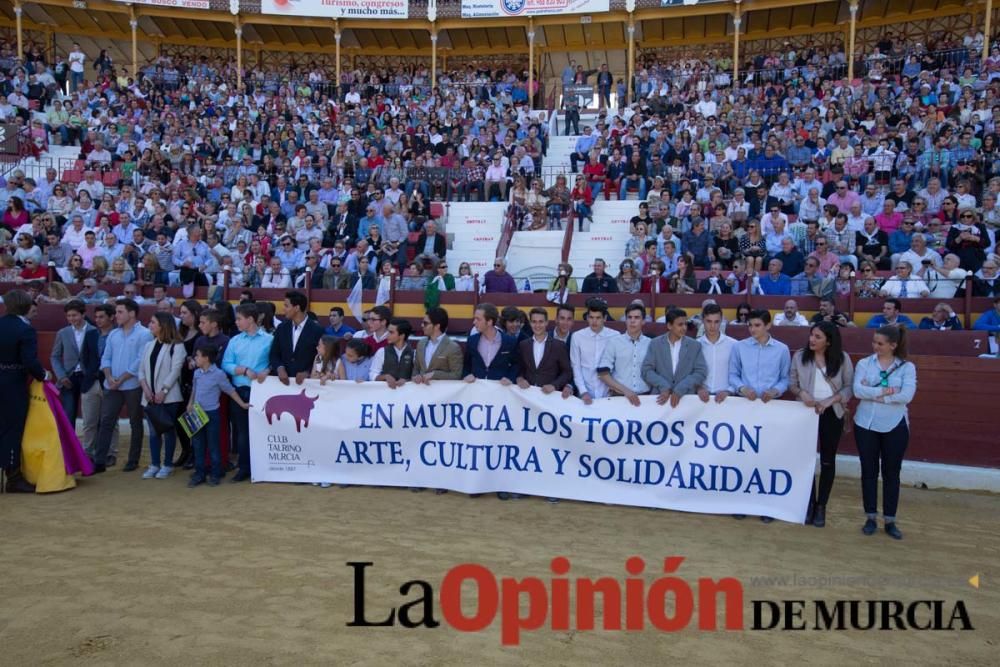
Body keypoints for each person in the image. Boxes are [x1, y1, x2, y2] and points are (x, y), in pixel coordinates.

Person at [726, 308, 790, 523]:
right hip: (745, 407)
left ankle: (766, 505)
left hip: (770, 408)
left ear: (768, 326)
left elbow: (785, 379)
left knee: (767, 457)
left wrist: (776, 391)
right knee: (743, 456)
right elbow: (733, 375)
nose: (752, 329)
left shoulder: (782, 350)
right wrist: (742, 388)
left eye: (757, 325)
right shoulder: (739, 347)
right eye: (750, 325)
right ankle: (742, 502)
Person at [853, 325, 917, 540]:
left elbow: (907, 395)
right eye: (874, 342)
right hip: (865, 423)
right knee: (868, 471)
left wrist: (876, 395)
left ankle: (890, 519)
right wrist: (887, 392)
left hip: (895, 424)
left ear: (893, 345)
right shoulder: (864, 363)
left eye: (880, 344)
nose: (875, 346)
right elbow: (857, 390)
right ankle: (870, 517)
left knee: (891, 473)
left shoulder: (907, 367)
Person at [789, 322, 854, 528]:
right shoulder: (800, 356)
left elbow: (849, 387)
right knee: (806, 459)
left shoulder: (842, 359)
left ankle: (821, 506)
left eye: (817, 337)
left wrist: (829, 401)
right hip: (806, 412)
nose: (812, 340)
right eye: (811, 335)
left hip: (830, 412)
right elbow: (792, 383)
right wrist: (802, 393)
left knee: (827, 460)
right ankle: (809, 503)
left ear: (829, 340)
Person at [93, 299, 153, 473]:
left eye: (120, 312)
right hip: (112, 384)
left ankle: (133, 459)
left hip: (132, 385)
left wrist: (121, 378)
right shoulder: (114, 334)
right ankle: (100, 460)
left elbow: (140, 361)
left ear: (132, 313)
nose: (116, 315)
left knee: (135, 421)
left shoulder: (144, 334)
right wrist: (109, 376)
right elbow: (106, 357)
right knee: (106, 421)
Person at [0, 290, 47, 492]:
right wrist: (43, 375)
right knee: (12, 429)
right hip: (13, 384)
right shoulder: (24, 329)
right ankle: (13, 478)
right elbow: (30, 361)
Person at [221, 303, 274, 483]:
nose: (236, 322)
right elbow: (226, 364)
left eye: (239, 319)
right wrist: (243, 370)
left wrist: (267, 370)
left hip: (261, 390)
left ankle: (259, 465)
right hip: (240, 389)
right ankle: (245, 467)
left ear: (250, 319)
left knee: (260, 429)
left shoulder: (268, 339)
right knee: (242, 431)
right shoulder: (235, 341)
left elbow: (274, 361)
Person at [188, 345, 251, 488]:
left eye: (197, 355)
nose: (195, 358)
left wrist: (242, 404)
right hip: (197, 412)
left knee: (213, 445)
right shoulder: (197, 373)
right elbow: (194, 390)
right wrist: (190, 403)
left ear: (206, 358)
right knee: (197, 445)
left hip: (211, 413)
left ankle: (215, 473)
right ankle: (200, 473)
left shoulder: (218, 374)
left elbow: (230, 390)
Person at [137, 312, 186, 480]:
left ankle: (167, 464)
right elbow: (141, 370)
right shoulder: (148, 345)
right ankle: (155, 463)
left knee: (167, 430)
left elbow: (175, 370)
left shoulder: (177, 346)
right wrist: (145, 388)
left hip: (169, 396)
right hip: (149, 395)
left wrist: (163, 391)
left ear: (163, 325)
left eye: (153, 322)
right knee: (153, 432)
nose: (150, 325)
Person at [641, 308, 707, 407]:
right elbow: (646, 370)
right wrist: (664, 386)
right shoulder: (655, 344)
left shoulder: (695, 345)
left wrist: (681, 388)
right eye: (680, 324)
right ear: (669, 326)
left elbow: (701, 372)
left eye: (685, 324)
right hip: (660, 398)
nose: (684, 328)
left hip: (686, 399)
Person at [51, 300, 100, 426]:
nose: (71, 318)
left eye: (74, 315)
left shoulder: (94, 331)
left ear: (83, 314)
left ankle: (89, 445)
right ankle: (69, 445)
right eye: (69, 316)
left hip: (88, 376)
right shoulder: (63, 332)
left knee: (90, 414)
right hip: (69, 377)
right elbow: (55, 356)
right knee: (68, 414)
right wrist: (61, 376)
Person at [598, 302, 651, 406]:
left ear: (643, 321)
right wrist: (626, 391)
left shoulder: (651, 344)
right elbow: (603, 373)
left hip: (646, 399)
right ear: (625, 320)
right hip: (619, 398)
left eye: (637, 317)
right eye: (629, 317)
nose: (632, 321)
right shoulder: (614, 342)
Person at [270, 291, 324, 386]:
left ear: (297, 308)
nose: (283, 309)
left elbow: (321, 356)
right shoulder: (281, 328)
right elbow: (274, 353)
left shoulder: (317, 330)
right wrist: (279, 368)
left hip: (307, 385)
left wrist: (307, 372)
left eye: (286, 306)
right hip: (282, 384)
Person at [570, 299, 618, 404]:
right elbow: (576, 366)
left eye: (598, 318)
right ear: (587, 317)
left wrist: (614, 388)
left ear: (605, 318)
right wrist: (583, 392)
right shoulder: (577, 337)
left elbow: (617, 366)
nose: (594, 321)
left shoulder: (615, 336)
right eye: (591, 317)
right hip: (584, 394)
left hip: (609, 394)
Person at [463, 303, 520, 383]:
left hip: (500, 390)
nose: (474, 322)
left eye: (478, 319)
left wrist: (510, 378)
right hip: (477, 389)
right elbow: (466, 365)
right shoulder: (472, 340)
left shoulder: (509, 341)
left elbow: (516, 364)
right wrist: (467, 374)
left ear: (489, 321)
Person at [696, 303, 736, 403]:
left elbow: (739, 373)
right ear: (702, 320)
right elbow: (690, 372)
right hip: (700, 399)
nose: (712, 326)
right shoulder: (695, 345)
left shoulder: (734, 345)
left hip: (727, 399)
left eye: (716, 322)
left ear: (721, 321)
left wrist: (729, 391)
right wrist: (698, 388)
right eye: (709, 321)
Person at [413, 307, 463, 385]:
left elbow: (457, 375)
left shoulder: (453, 347)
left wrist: (435, 374)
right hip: (421, 392)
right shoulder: (421, 344)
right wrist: (416, 377)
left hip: (442, 395)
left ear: (437, 326)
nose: (422, 325)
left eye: (425, 323)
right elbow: (416, 368)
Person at [369, 319, 415, 387]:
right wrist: (385, 377)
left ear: (402, 335)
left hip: (407, 395)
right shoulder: (382, 352)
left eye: (391, 332)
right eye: (388, 331)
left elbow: (418, 376)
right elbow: (372, 374)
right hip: (385, 394)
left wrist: (407, 380)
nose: (387, 335)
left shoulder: (414, 353)